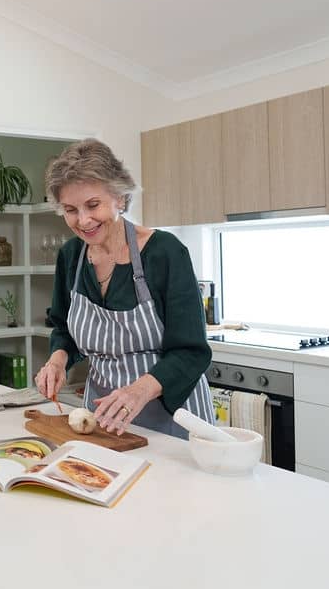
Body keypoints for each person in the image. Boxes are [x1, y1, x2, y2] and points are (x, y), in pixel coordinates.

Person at [34, 138, 214, 438]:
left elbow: (191, 352)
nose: (83, 220)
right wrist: (57, 361)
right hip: (102, 418)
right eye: (70, 210)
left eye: (93, 205)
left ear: (120, 197)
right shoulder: (70, 257)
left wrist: (138, 391)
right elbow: (64, 329)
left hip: (175, 417)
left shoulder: (165, 252)